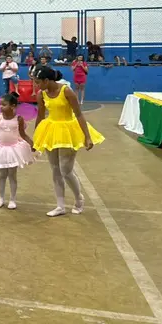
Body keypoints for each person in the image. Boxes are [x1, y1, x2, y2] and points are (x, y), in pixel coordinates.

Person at [33, 66, 105, 217]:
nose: (36, 85)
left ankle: (79, 198)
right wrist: (36, 137)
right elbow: (40, 116)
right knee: (54, 168)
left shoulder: (66, 91)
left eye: (38, 82)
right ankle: (60, 206)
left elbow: (79, 114)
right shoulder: (41, 94)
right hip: (51, 129)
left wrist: (87, 136)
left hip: (68, 129)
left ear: (47, 80)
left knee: (65, 169)